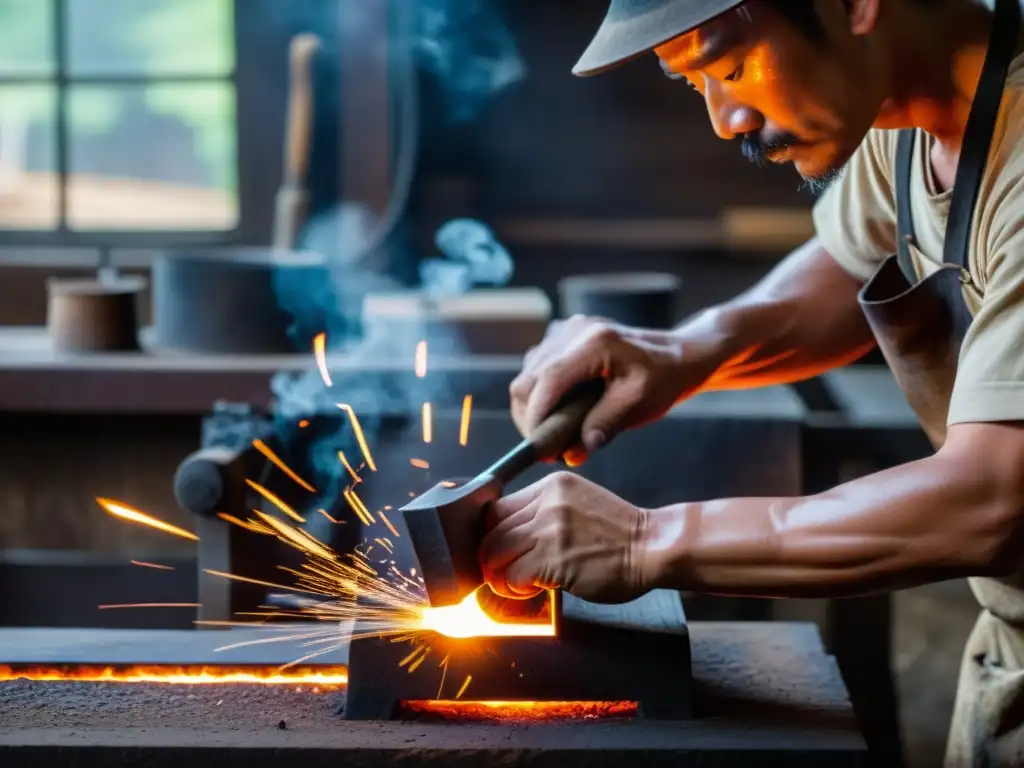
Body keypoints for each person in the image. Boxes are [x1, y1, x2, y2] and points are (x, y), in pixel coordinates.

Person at [476, 0, 1024, 765]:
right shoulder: (905, 115)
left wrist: (644, 542)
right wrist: (685, 351)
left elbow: (991, 499)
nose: (725, 119)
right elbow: (850, 262)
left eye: (729, 66)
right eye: (693, 83)